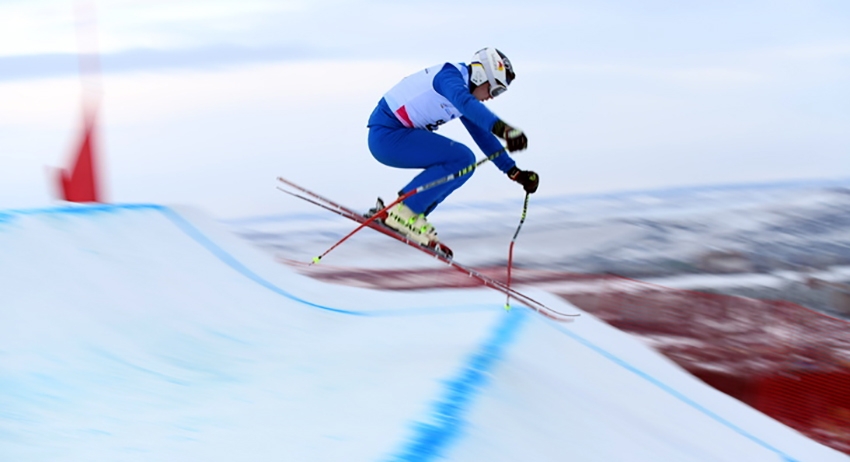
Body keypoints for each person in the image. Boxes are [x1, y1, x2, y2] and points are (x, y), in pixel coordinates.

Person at [366, 47, 539, 247]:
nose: (492, 97)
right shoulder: (449, 78)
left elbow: (482, 134)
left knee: (465, 165)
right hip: (387, 136)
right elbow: (466, 103)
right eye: (495, 89)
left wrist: (513, 171)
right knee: (461, 159)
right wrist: (504, 129)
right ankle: (404, 212)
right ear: (481, 75)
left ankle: (409, 216)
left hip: (392, 137)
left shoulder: (461, 90)